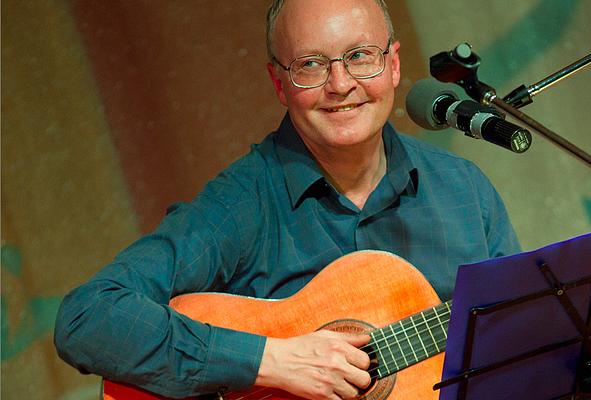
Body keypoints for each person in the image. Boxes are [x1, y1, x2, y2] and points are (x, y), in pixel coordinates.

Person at [54, 0, 520, 399]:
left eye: (360, 56)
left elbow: (522, 348)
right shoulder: (242, 202)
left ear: (393, 65)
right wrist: (271, 361)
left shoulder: (464, 191)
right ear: (279, 83)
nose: (340, 84)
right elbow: (87, 318)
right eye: (311, 65)